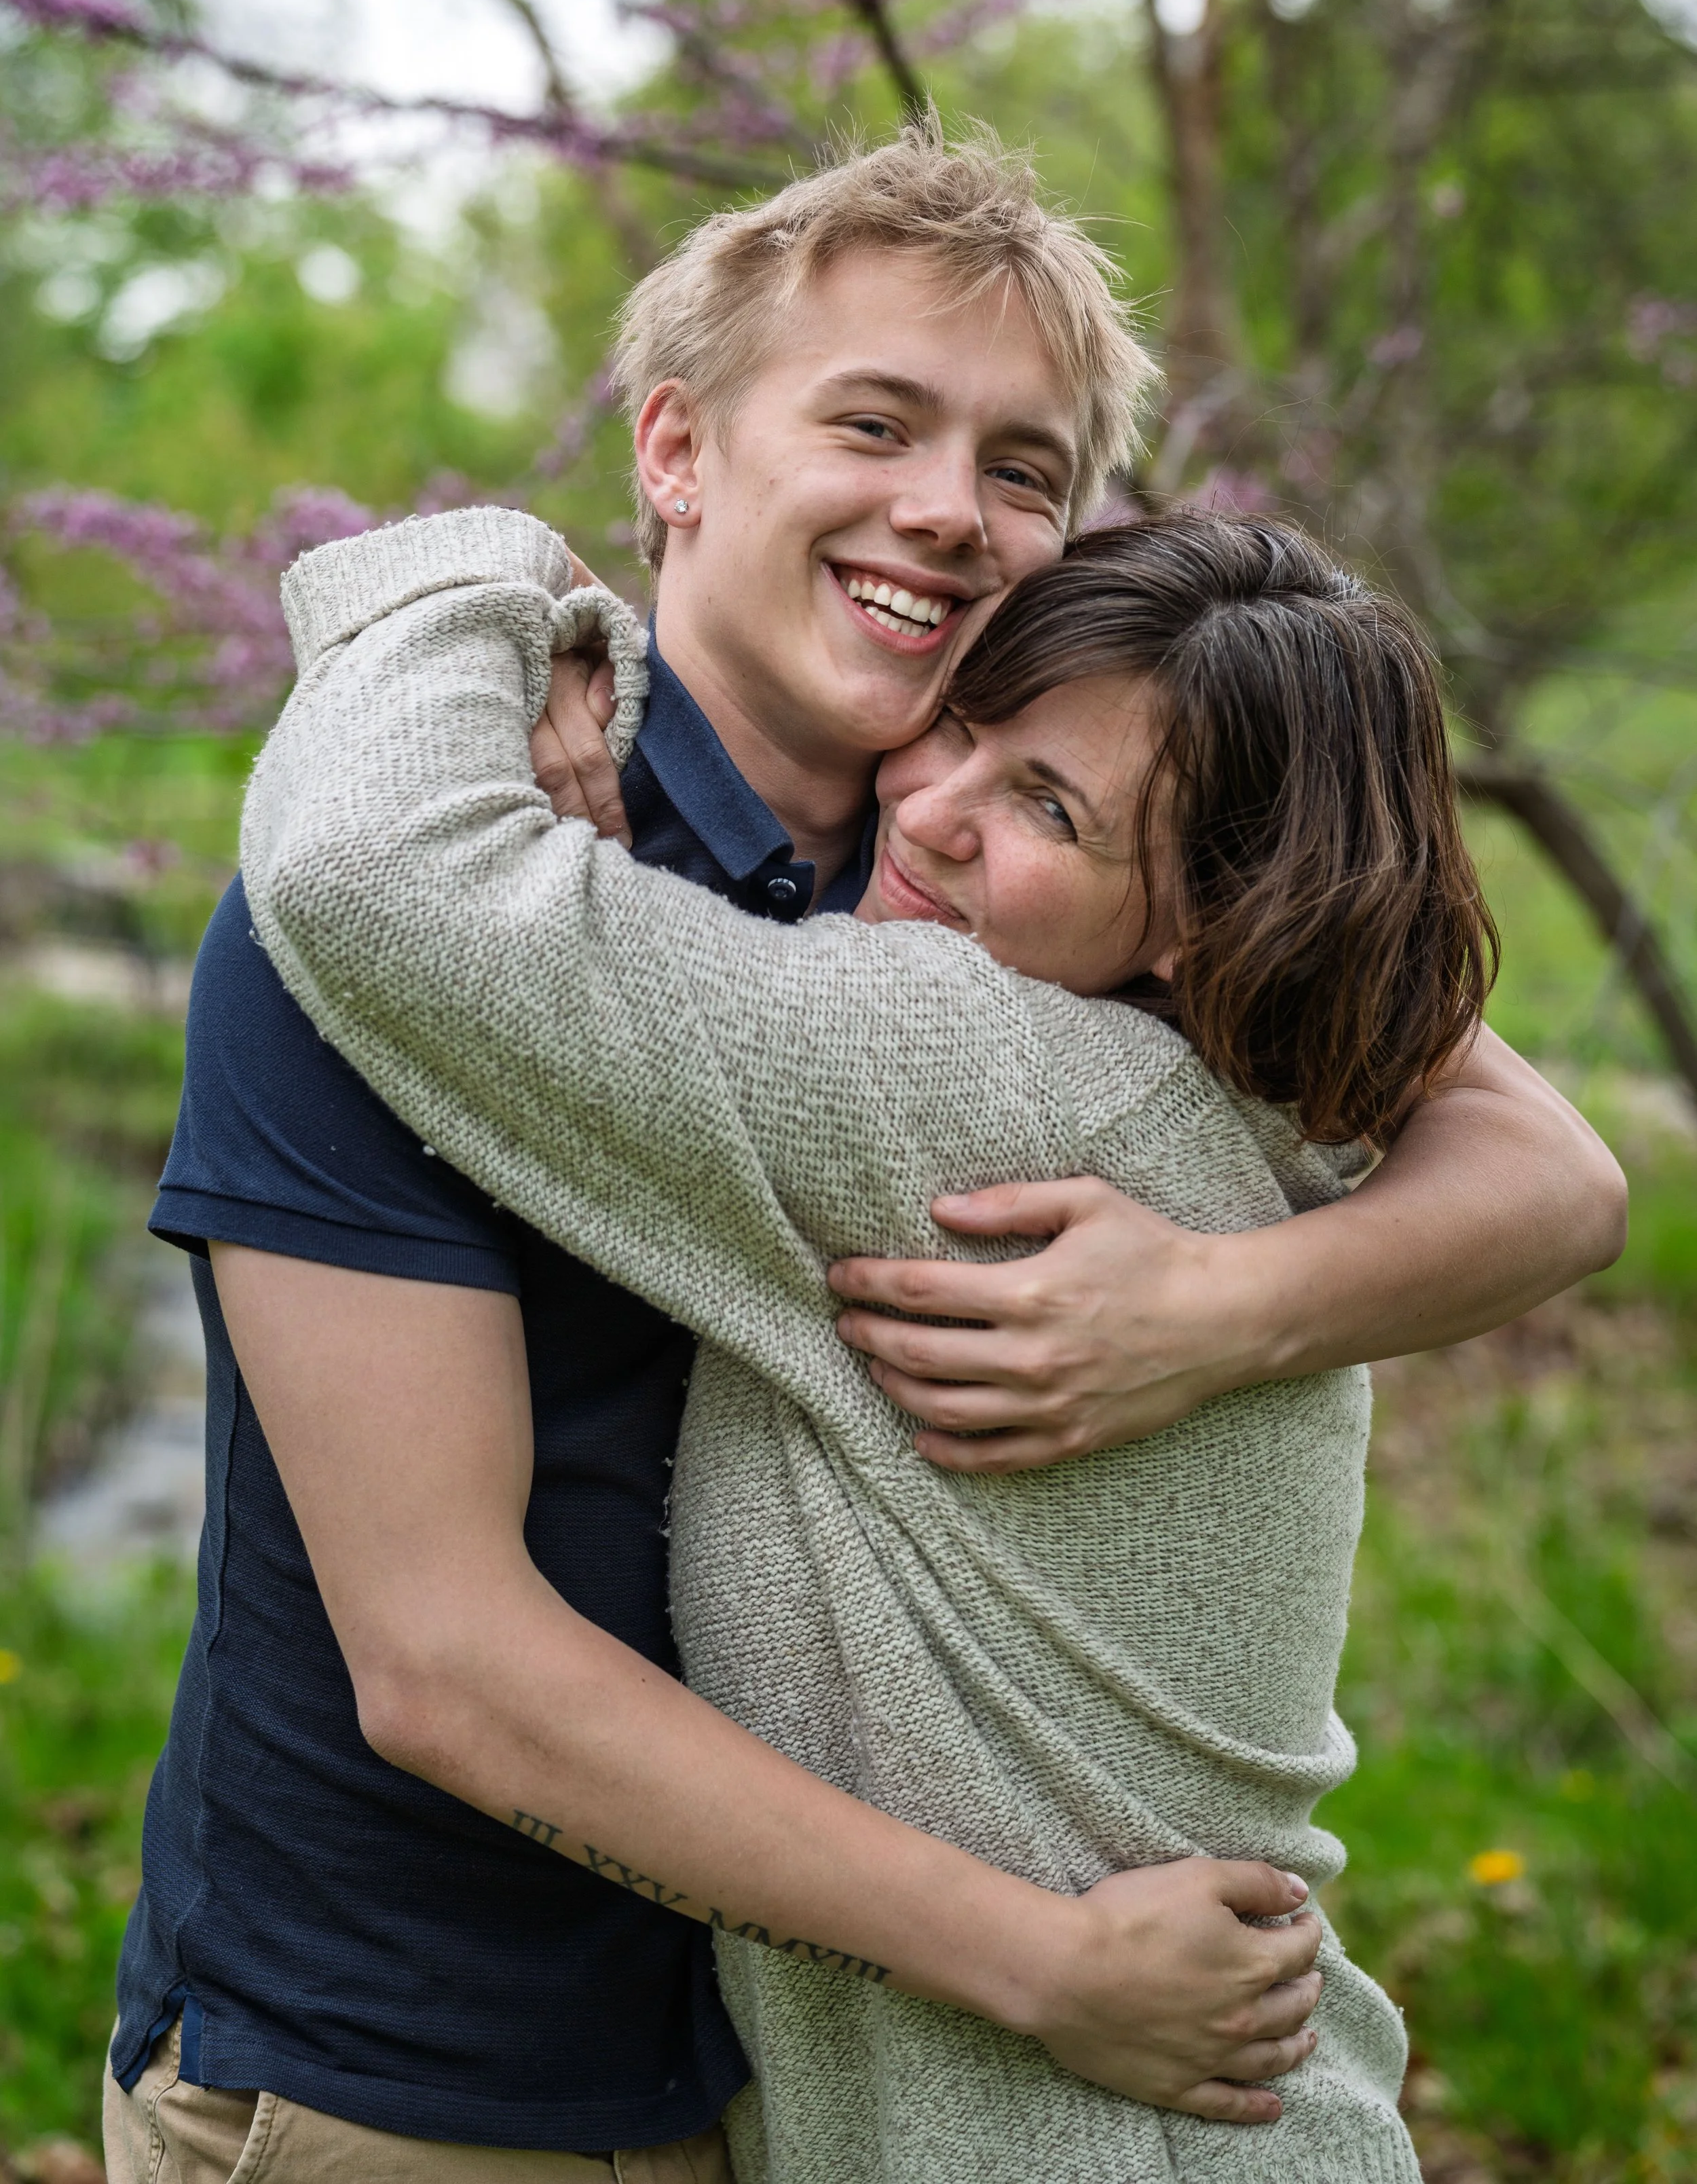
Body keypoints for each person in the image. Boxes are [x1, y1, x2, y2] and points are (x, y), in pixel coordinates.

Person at [106, 126, 1622, 2183]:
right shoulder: (436, 885)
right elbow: (447, 1662)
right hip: (415, 2071)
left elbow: (1549, 1167)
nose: (948, 507)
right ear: (672, 451)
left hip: (803, 2079)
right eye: (875, 421)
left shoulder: (1025, 918)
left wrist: (1209, 1301)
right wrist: (457, 570)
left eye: (1023, 465)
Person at [238, 496, 1502, 2181]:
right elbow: (1540, 1149)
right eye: (964, 725)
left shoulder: (980, 1074)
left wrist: (477, 562)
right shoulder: (1284, 1096)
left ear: (1205, 916)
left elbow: (367, 872)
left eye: (1047, 804)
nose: (931, 809)